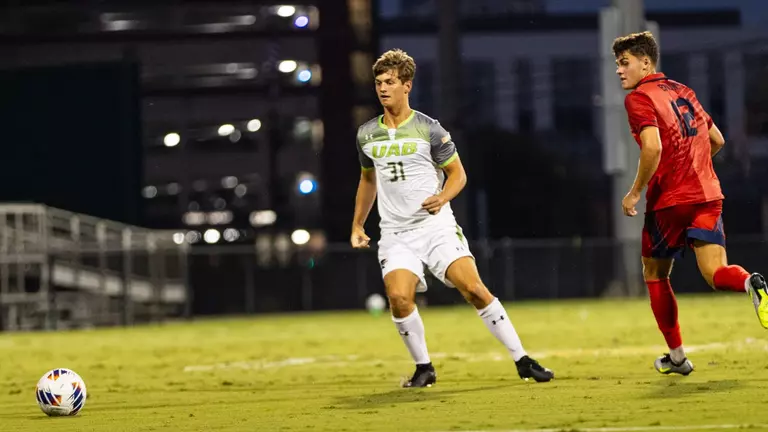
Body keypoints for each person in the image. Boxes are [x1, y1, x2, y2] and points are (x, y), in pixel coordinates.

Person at [349, 48, 554, 387]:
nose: (383, 88)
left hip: (435, 228)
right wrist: (357, 224)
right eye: (378, 83)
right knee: (399, 298)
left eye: (390, 82)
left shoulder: (430, 129)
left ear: (407, 85)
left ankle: (522, 359)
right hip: (396, 234)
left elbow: (458, 175)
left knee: (473, 288)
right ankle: (423, 367)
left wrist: (442, 197)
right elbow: (368, 179)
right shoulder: (366, 134)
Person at [614, 31, 768, 376]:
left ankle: (678, 356)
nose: (620, 71)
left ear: (646, 62)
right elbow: (717, 139)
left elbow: (652, 148)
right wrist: (695, 165)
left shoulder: (639, 98)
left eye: (625, 63)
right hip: (709, 194)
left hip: (669, 200)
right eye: (617, 65)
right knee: (716, 273)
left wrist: (635, 191)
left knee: (654, 272)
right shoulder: (685, 91)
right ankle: (751, 283)